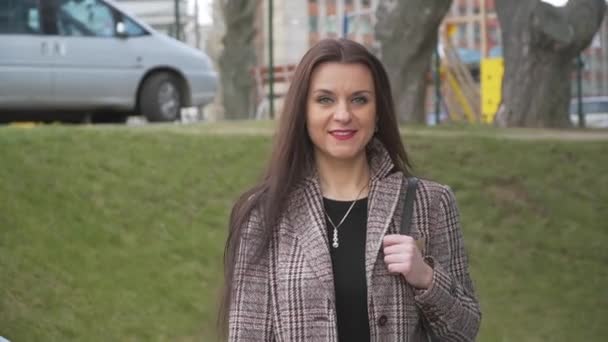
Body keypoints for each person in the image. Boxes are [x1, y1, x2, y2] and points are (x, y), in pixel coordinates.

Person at [219, 38, 481, 341]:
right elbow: (247, 335)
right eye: (325, 100)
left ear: (378, 111)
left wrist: (427, 278)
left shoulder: (430, 203)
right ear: (302, 112)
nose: (343, 114)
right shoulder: (264, 212)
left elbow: (465, 331)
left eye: (359, 99)